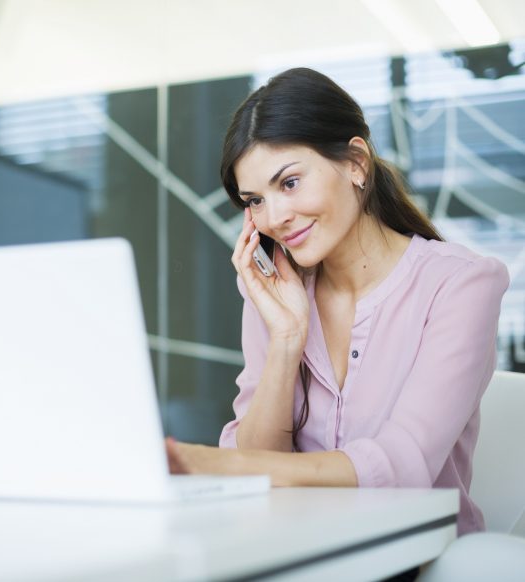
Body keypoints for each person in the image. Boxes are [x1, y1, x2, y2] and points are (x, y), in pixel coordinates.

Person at [165, 67, 510, 539]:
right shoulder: (274, 293)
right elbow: (259, 471)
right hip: (299, 549)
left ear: (355, 162)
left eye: (288, 183)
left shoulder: (460, 285)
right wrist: (287, 338)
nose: (276, 218)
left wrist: (215, 463)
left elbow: (403, 467)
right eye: (255, 200)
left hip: (420, 557)